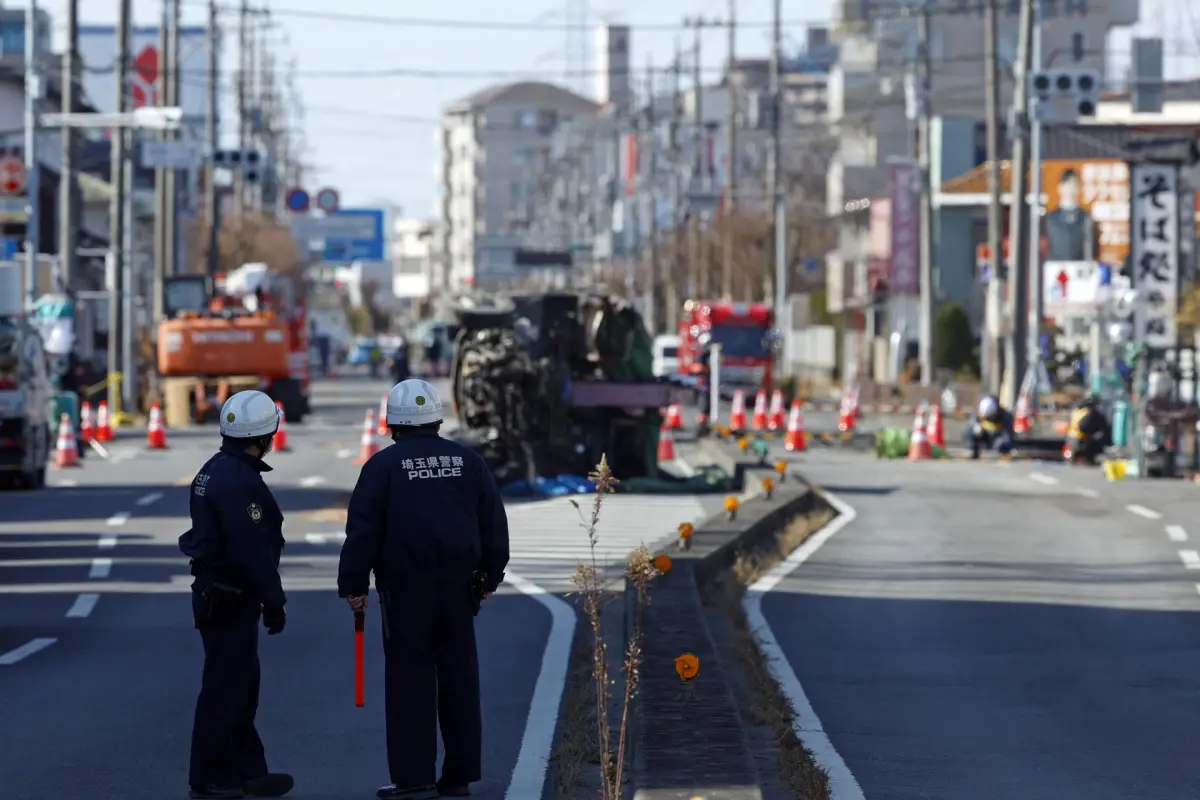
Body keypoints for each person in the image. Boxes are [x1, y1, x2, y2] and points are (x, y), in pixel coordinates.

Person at [337, 379, 510, 800]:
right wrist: (491, 576)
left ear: (393, 423)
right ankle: (459, 777)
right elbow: (493, 525)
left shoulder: (382, 467)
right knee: (459, 681)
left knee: (409, 682)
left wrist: (353, 584)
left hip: (405, 591)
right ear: (436, 418)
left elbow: (363, 532)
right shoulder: (467, 462)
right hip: (459, 591)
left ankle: (414, 779)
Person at [179, 390, 293, 800]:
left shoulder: (215, 469)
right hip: (229, 596)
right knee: (226, 690)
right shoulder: (239, 482)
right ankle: (209, 778)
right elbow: (250, 549)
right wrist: (273, 599)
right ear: (264, 434)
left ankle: (246, 772)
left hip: (218, 593)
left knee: (240, 686)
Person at [1044, 168, 1097, 262]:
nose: (1070, 189)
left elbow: (1092, 250)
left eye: (1074, 185)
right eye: (1067, 184)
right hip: (1054, 271)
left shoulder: (1086, 218)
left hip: (1079, 270)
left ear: (1079, 188)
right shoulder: (1050, 219)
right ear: (1059, 188)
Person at [1065, 394, 1111, 464]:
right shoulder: (1091, 412)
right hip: (1082, 440)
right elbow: (1103, 426)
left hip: (1070, 438)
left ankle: (1073, 459)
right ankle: (1089, 458)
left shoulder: (1076, 410)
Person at [965, 394, 1015, 459]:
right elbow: (971, 426)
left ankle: (1004, 452)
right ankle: (974, 451)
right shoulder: (978, 415)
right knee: (968, 432)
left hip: (997, 437)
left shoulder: (1005, 416)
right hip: (984, 436)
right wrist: (976, 427)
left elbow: (1008, 434)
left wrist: (1007, 446)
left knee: (1002, 443)